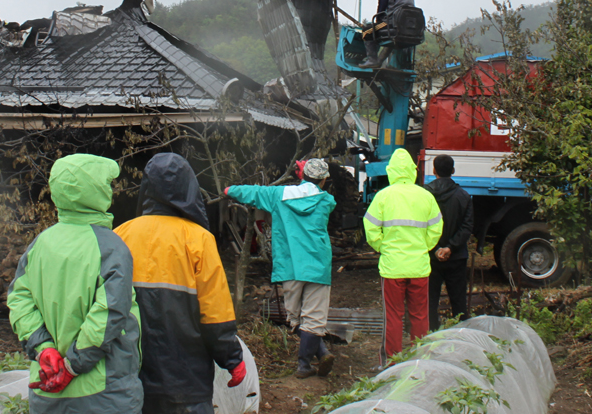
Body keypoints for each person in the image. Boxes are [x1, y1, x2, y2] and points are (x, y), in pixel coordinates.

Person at [8, 154, 143, 414]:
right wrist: (71, 366)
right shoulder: (111, 248)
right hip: (104, 392)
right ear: (96, 190)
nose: (110, 190)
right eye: (106, 184)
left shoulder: (39, 244)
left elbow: (18, 299)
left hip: (47, 390)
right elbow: (110, 312)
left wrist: (43, 349)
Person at [115, 153, 246, 414]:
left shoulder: (120, 235)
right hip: (186, 381)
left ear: (147, 189)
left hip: (129, 377)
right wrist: (232, 359)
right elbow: (215, 312)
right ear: (189, 188)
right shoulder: (199, 239)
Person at [225, 158, 337, 378]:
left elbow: (253, 193)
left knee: (295, 317)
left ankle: (316, 357)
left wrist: (229, 190)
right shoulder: (326, 201)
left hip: (290, 265)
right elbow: (318, 197)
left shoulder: (278, 195)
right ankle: (306, 363)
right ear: (323, 180)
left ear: (303, 175)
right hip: (317, 266)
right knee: (314, 318)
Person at [363, 148, 443, 363]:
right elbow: (436, 228)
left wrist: (383, 247)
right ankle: (419, 360)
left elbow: (370, 228)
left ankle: (392, 362)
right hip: (419, 266)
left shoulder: (383, 196)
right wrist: (423, 247)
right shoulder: (425, 196)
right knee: (420, 316)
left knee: (393, 317)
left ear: (391, 171)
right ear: (413, 171)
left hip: (392, 268)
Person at [426, 154, 474, 329]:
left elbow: (422, 225)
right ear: (453, 170)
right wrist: (450, 247)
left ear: (434, 170)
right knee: (458, 301)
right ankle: (460, 334)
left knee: (430, 300)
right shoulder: (464, 196)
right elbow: (467, 226)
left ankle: (430, 334)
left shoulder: (425, 195)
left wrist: (436, 248)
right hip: (457, 257)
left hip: (431, 256)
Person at [361, 0, 415, 68]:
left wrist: (378, 22)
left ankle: (372, 60)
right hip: (410, 27)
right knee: (391, 37)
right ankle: (380, 61)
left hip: (394, 24)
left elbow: (381, 10)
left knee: (367, 30)